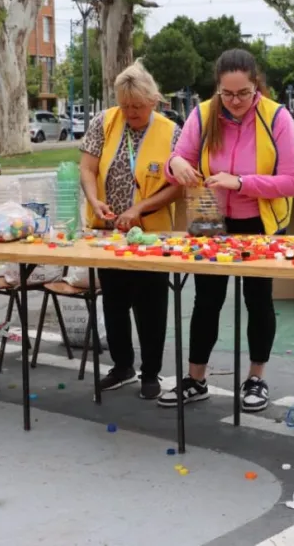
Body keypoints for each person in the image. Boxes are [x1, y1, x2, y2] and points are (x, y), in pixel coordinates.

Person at [160, 48, 294, 412]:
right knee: (206, 299)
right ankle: (195, 378)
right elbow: (178, 161)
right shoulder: (203, 114)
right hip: (211, 221)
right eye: (227, 93)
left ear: (257, 86)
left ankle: (256, 377)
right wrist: (175, 163)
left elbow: (291, 181)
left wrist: (241, 182)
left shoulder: (277, 117)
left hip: (261, 222)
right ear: (217, 89)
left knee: (258, 299)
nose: (235, 101)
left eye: (243, 93)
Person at [79, 61, 182, 400]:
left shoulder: (171, 132)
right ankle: (122, 365)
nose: (131, 113)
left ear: (154, 100)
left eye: (138, 106)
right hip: (108, 231)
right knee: (114, 300)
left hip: (152, 235)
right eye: (125, 106)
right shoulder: (104, 123)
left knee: (151, 304)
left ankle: (150, 372)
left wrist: (139, 209)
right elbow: (88, 168)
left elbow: (177, 187)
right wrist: (95, 201)